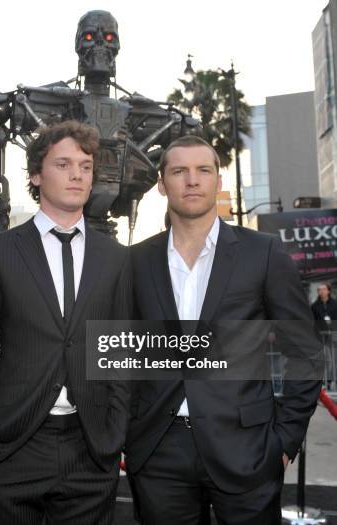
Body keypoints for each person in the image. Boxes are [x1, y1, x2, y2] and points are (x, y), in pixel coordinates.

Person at [124, 135, 321, 524]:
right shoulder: (136, 261)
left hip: (247, 448)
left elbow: (305, 353)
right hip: (158, 452)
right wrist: (128, 434)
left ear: (217, 180)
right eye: (179, 171)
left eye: (203, 170)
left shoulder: (262, 252)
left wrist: (284, 441)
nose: (192, 181)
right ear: (162, 184)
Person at [0, 121, 130, 524]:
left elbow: (123, 351)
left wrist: (115, 432)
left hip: (92, 448)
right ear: (35, 174)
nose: (77, 174)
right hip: (14, 443)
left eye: (85, 165)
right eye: (63, 164)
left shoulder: (116, 259)